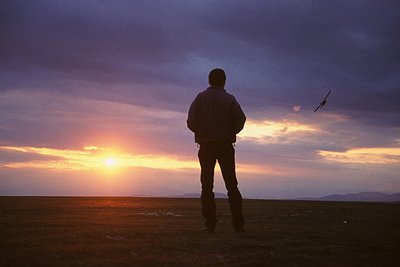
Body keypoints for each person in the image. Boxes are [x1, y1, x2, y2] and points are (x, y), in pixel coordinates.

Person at [187, 68, 246, 233]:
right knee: (232, 185)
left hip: (206, 146)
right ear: (224, 81)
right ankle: (238, 225)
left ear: (209, 80)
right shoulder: (229, 99)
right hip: (225, 146)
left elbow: (191, 121)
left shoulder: (201, 98)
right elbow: (241, 120)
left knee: (206, 186)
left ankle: (210, 224)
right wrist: (230, 132)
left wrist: (202, 131)